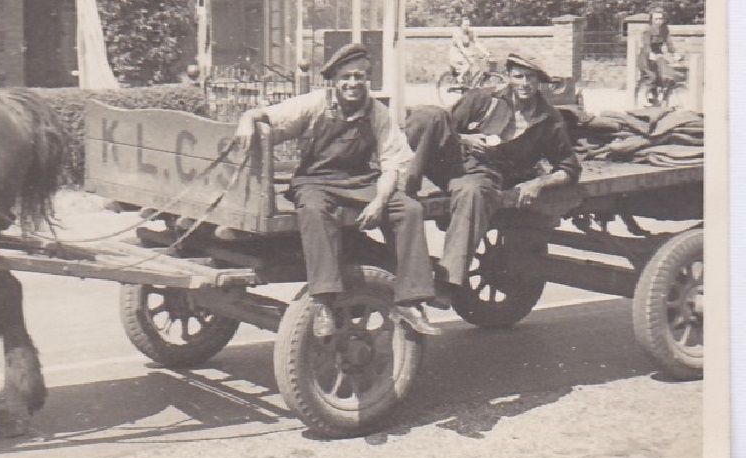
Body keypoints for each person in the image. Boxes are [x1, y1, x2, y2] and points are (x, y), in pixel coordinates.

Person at [233, 43, 441, 336]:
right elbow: (265, 115)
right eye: (346, 77)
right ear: (334, 80)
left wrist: (380, 202)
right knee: (315, 211)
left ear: (366, 79)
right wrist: (247, 119)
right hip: (316, 181)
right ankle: (324, 301)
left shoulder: (376, 112)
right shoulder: (315, 104)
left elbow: (393, 163)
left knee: (409, 209)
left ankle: (411, 299)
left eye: (359, 77)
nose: (353, 84)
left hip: (359, 181)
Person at [404, 53, 582, 302]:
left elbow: (569, 168)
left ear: (539, 82)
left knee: (474, 194)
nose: (524, 83)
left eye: (531, 77)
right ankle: (403, 191)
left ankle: (449, 283)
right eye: (518, 76)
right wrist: (465, 139)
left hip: (484, 174)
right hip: (451, 162)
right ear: (509, 76)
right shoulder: (483, 99)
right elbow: (444, 127)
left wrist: (538, 183)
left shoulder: (548, 119)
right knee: (427, 115)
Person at [637, 7, 684, 106]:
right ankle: (643, 98)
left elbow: (668, 42)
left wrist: (674, 53)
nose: (658, 21)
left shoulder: (665, 29)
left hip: (658, 54)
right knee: (651, 76)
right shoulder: (648, 30)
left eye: (660, 19)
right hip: (646, 56)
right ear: (652, 20)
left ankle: (658, 97)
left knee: (664, 75)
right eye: (656, 19)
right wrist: (650, 54)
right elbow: (646, 44)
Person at [448, 17, 492, 86]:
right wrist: (468, 53)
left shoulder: (470, 33)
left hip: (463, 53)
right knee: (468, 63)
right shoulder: (458, 34)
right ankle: (460, 77)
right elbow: (460, 47)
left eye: (468, 25)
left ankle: (468, 86)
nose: (467, 27)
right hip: (456, 53)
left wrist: (485, 52)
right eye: (465, 25)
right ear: (461, 25)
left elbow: (477, 43)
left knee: (472, 67)